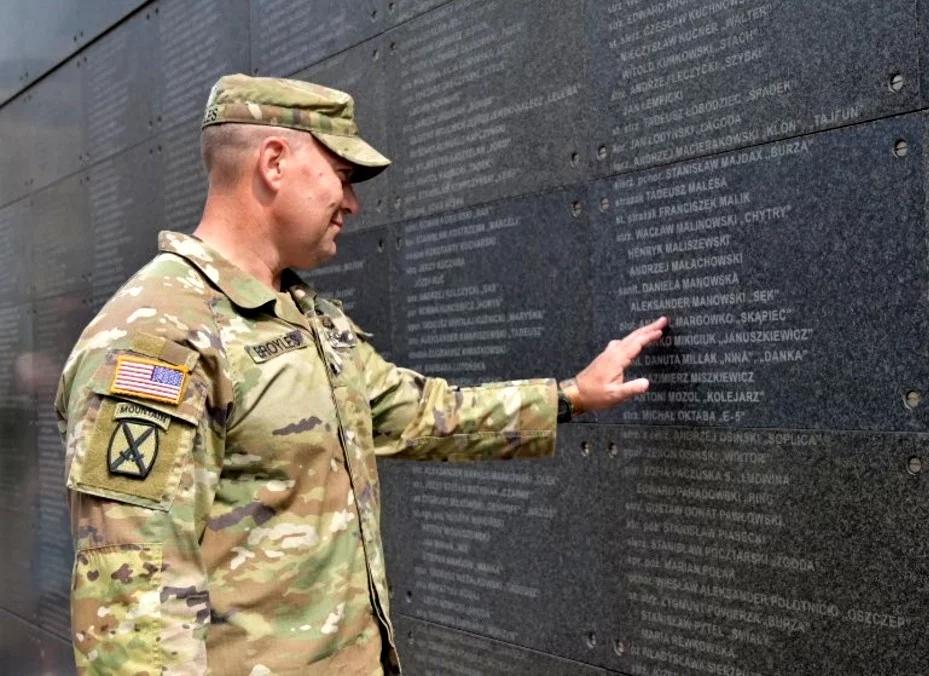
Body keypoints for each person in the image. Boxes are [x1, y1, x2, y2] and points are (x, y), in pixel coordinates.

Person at [56, 74, 668, 675]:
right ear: (273, 161)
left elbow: (419, 414)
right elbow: (133, 612)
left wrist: (571, 397)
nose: (353, 203)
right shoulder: (158, 336)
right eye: (342, 177)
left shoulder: (306, 317)